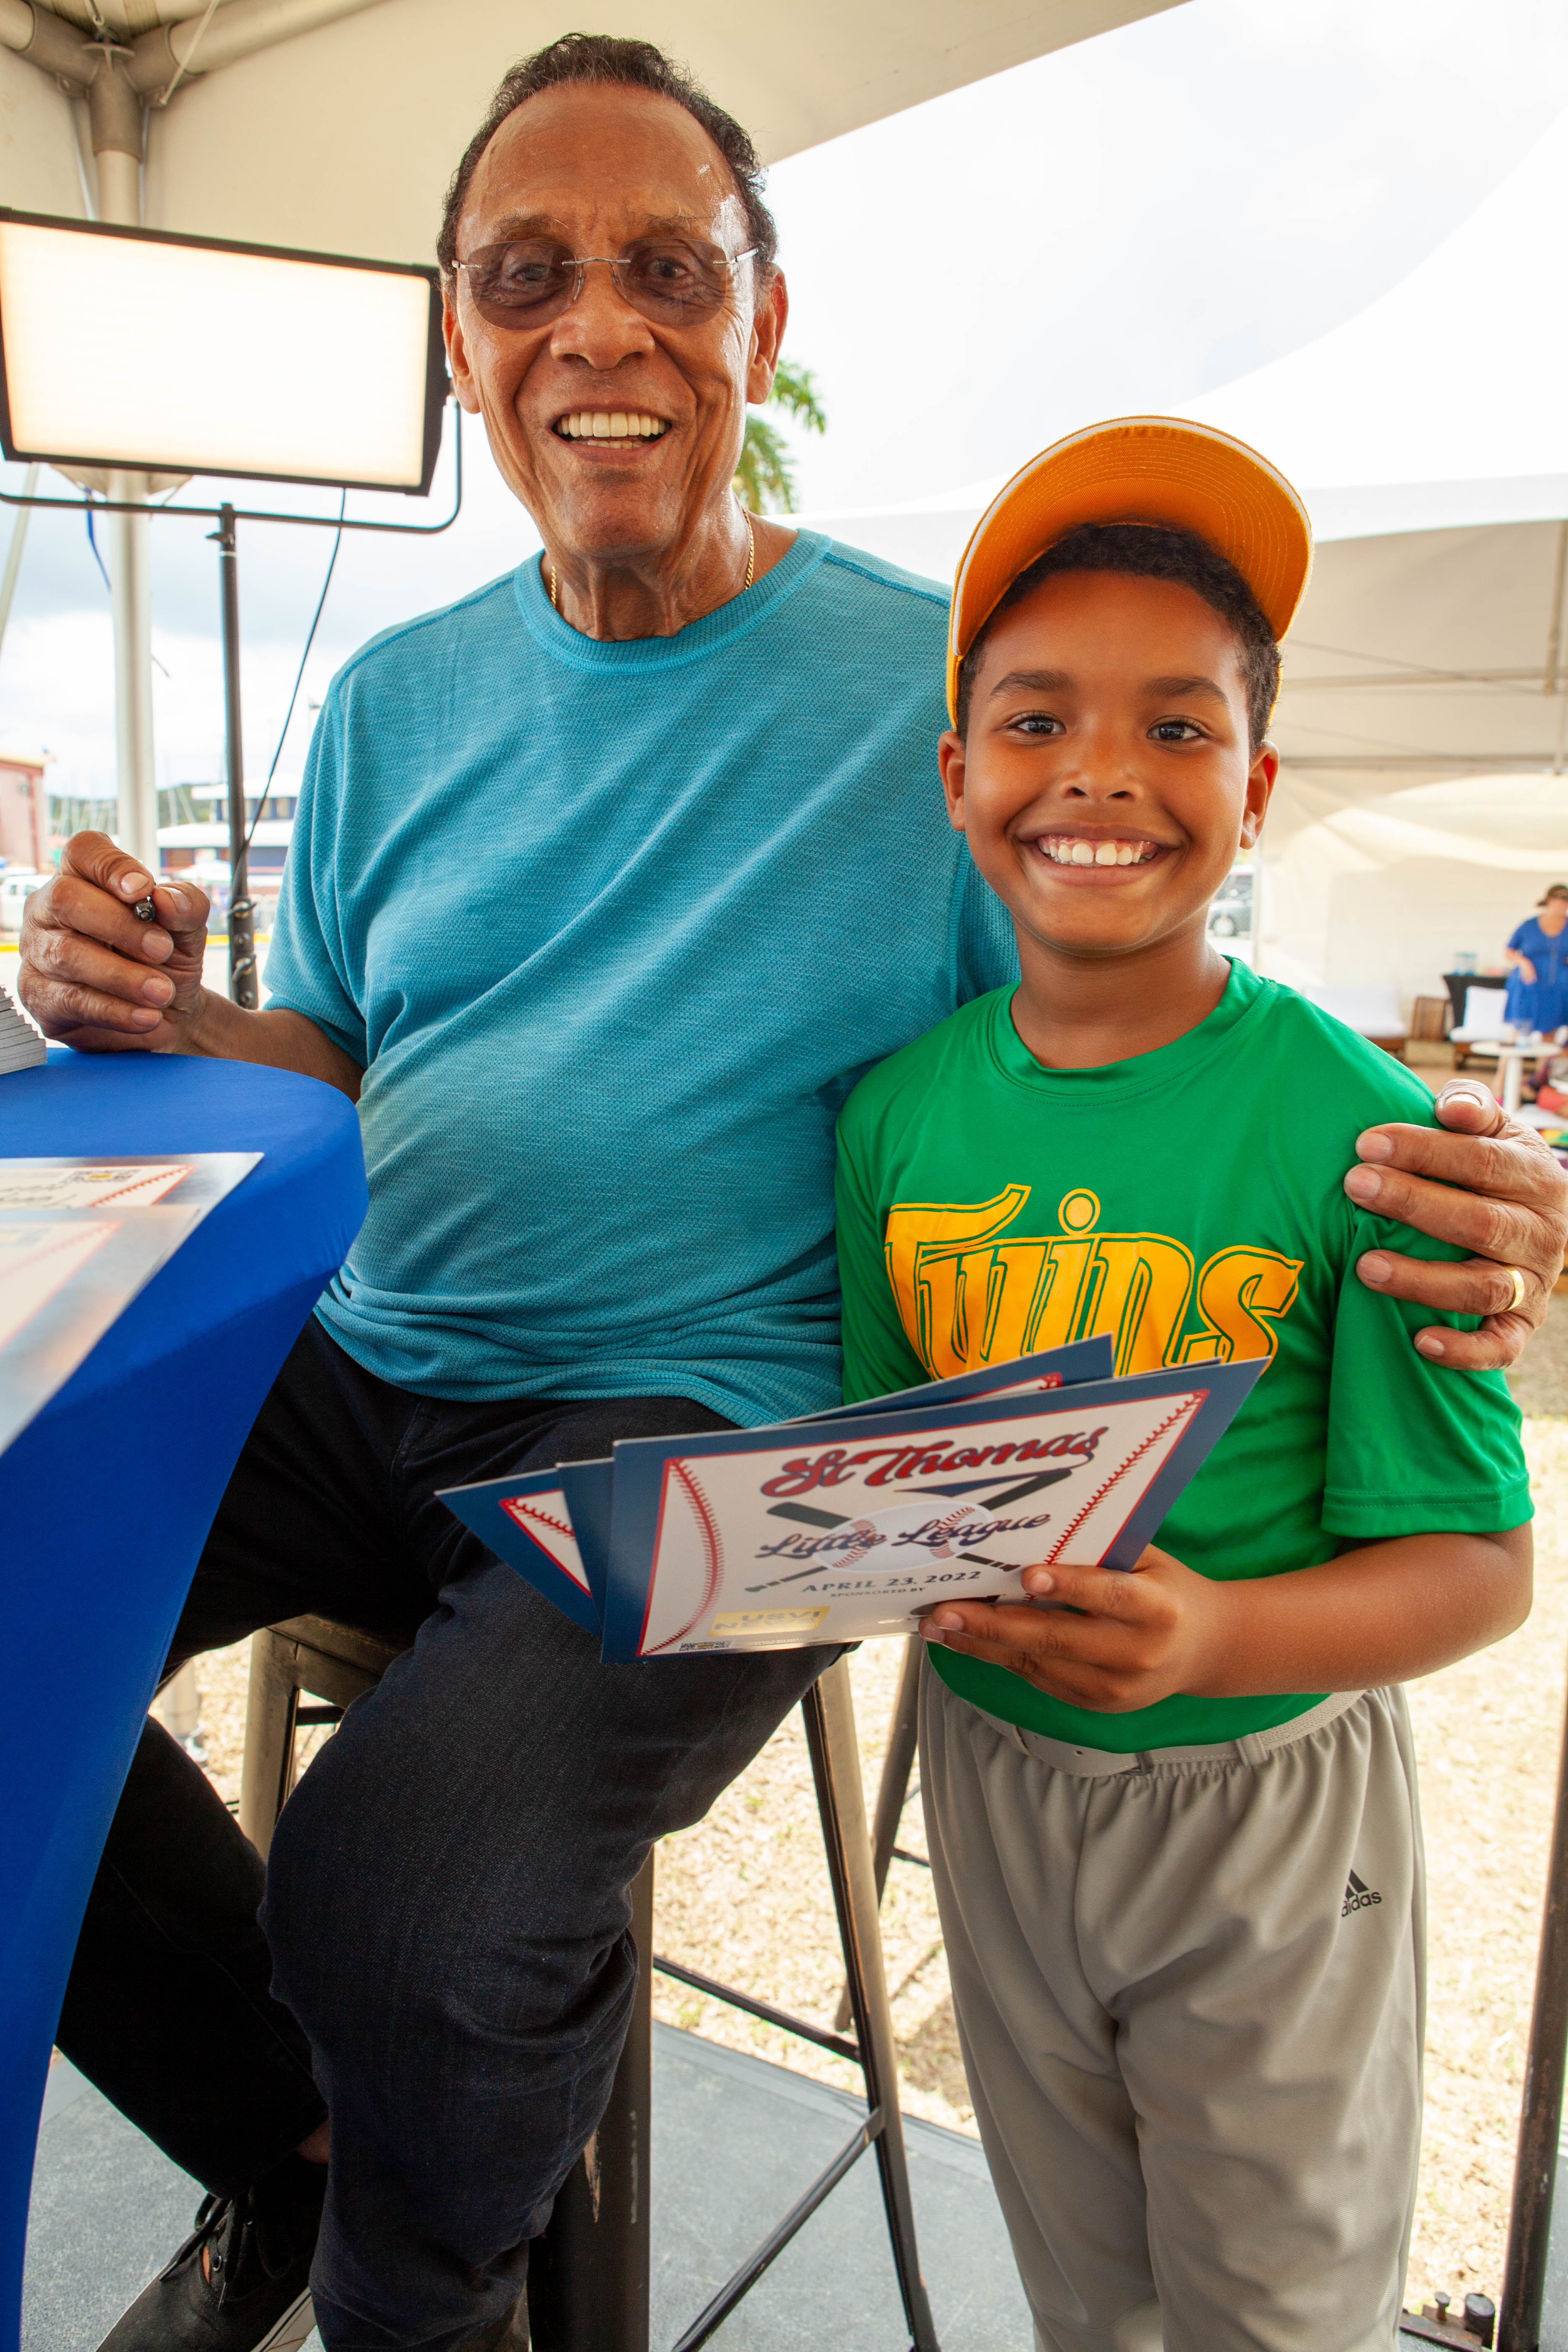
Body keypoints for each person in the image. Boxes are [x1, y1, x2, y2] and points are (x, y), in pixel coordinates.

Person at [17, 41, 1565, 2352]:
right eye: (527, 276)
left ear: (763, 314)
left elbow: (1147, 1019)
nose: (599, 333)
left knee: (401, 1895)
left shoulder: (929, 690)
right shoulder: (389, 705)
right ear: (458, 335)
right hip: (364, 1356)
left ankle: (412, 2290)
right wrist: (152, 1002)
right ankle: (299, 2147)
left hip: (695, 1427)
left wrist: (1441, 1182)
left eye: (667, 269)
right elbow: (342, 1064)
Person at [835, 418, 1534, 2352]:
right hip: (991, 1780)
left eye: (1176, 726)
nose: (1102, 776)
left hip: (1264, 1808)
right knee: (1084, 2291)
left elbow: (1480, 1567)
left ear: (1258, 782)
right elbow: (889, 1477)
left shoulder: (1361, 1127)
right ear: (957, 771)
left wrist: (1214, 1631)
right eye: (1038, 718)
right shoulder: (896, 1119)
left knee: (1277, 2312)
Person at [1505, 883, 1568, 1036]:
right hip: (1529, 983)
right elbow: (1509, 951)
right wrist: (1524, 962)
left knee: (1551, 1029)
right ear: (1551, 900)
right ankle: (1508, 1060)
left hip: (1558, 985)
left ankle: (1546, 1061)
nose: (1565, 905)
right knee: (1520, 1027)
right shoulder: (1529, 926)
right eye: (1563, 901)